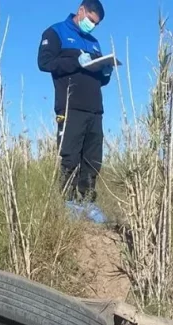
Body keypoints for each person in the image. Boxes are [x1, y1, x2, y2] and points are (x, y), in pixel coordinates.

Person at [37, 0, 112, 203]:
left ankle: (87, 202)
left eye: (96, 24)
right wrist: (75, 61)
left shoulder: (94, 42)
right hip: (70, 106)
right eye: (90, 20)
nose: (92, 26)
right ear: (81, 11)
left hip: (95, 109)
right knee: (70, 156)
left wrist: (106, 71)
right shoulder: (56, 32)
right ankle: (67, 203)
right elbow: (44, 63)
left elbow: (99, 79)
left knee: (93, 158)